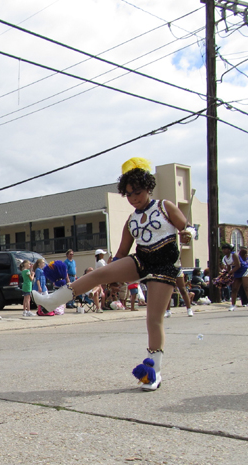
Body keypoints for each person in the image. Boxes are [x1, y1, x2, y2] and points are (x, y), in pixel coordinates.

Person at [35, 157, 195, 391]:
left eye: (137, 192)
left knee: (153, 320)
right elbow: (121, 252)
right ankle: (53, 300)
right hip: (141, 259)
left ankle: (154, 373)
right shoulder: (131, 220)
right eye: (128, 194)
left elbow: (187, 226)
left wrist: (188, 234)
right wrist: (112, 270)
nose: (133, 198)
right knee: (100, 273)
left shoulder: (164, 206)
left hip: (164, 266)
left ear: (148, 187)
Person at [221, 244, 248, 311]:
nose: (223, 250)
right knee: (234, 289)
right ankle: (233, 305)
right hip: (236, 272)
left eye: (225, 249)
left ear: (229, 249)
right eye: (223, 249)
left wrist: (230, 272)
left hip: (244, 270)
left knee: (246, 287)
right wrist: (226, 274)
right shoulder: (225, 258)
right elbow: (228, 267)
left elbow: (238, 265)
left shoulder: (234, 255)